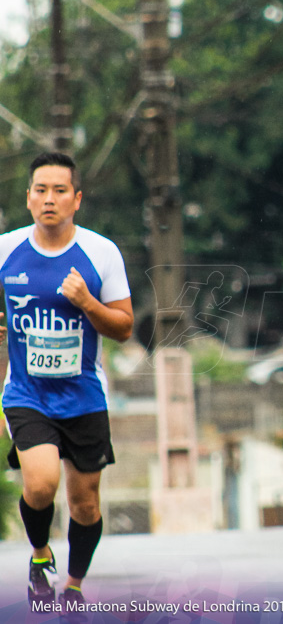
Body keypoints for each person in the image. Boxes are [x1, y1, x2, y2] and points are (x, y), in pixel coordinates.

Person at [1, 152, 134, 620]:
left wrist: (89, 303)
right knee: (40, 484)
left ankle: (73, 585)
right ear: (29, 198)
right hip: (26, 392)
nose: (49, 199)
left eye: (60, 191)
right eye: (41, 190)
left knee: (85, 503)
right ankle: (40, 555)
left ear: (76, 199)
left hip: (83, 395)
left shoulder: (101, 253)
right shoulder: (6, 249)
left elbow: (123, 327)